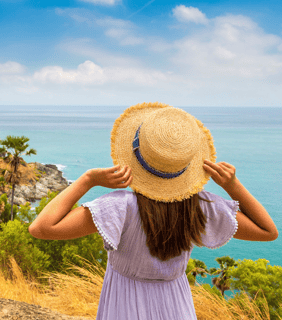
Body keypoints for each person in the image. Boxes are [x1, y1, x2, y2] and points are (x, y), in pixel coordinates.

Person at [28, 102, 278, 320]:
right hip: (176, 307)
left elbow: (41, 228)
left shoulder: (119, 206)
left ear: (134, 158)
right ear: (187, 164)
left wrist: (88, 179)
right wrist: (233, 185)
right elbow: (268, 231)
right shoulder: (200, 207)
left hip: (122, 307)